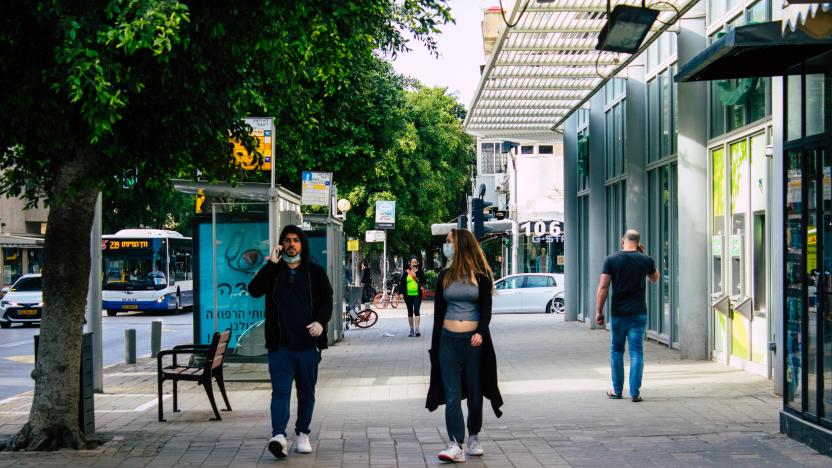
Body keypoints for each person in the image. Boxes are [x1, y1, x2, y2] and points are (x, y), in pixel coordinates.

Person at [248, 225, 333, 459]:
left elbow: (327, 300)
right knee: (280, 392)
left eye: (296, 240)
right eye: (287, 240)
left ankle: (303, 433)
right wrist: (271, 264)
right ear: (280, 244)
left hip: (308, 345)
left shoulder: (315, 272)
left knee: (307, 393)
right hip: (280, 346)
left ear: (302, 245)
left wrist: (320, 322)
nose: (291, 244)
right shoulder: (273, 271)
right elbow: (254, 290)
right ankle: (278, 436)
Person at [426, 228, 503, 463]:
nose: (446, 245)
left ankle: (474, 437)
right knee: (451, 394)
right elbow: (439, 313)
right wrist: (436, 344)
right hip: (448, 341)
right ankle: (455, 443)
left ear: (461, 245)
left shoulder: (481, 276)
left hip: (474, 342)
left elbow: (485, 310)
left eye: (449, 242)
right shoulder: (445, 276)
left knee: (475, 393)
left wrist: (480, 332)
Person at [594, 229, 660, 402]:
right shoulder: (646, 260)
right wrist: (644, 257)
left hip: (618, 314)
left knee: (617, 350)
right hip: (638, 314)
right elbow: (655, 278)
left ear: (623, 240)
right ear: (638, 242)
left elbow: (603, 287)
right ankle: (635, 393)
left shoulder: (611, 260)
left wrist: (599, 311)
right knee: (637, 352)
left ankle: (616, 390)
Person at [399, 256, 426, 337]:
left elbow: (424, 281)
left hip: (417, 295)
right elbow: (402, 283)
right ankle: (411, 329)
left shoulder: (420, 271)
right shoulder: (406, 272)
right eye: (412, 262)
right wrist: (401, 293)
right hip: (408, 296)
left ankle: (417, 329)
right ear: (410, 263)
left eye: (415, 262)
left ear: (417, 263)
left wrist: (416, 274)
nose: (414, 264)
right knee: (410, 312)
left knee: (416, 310)